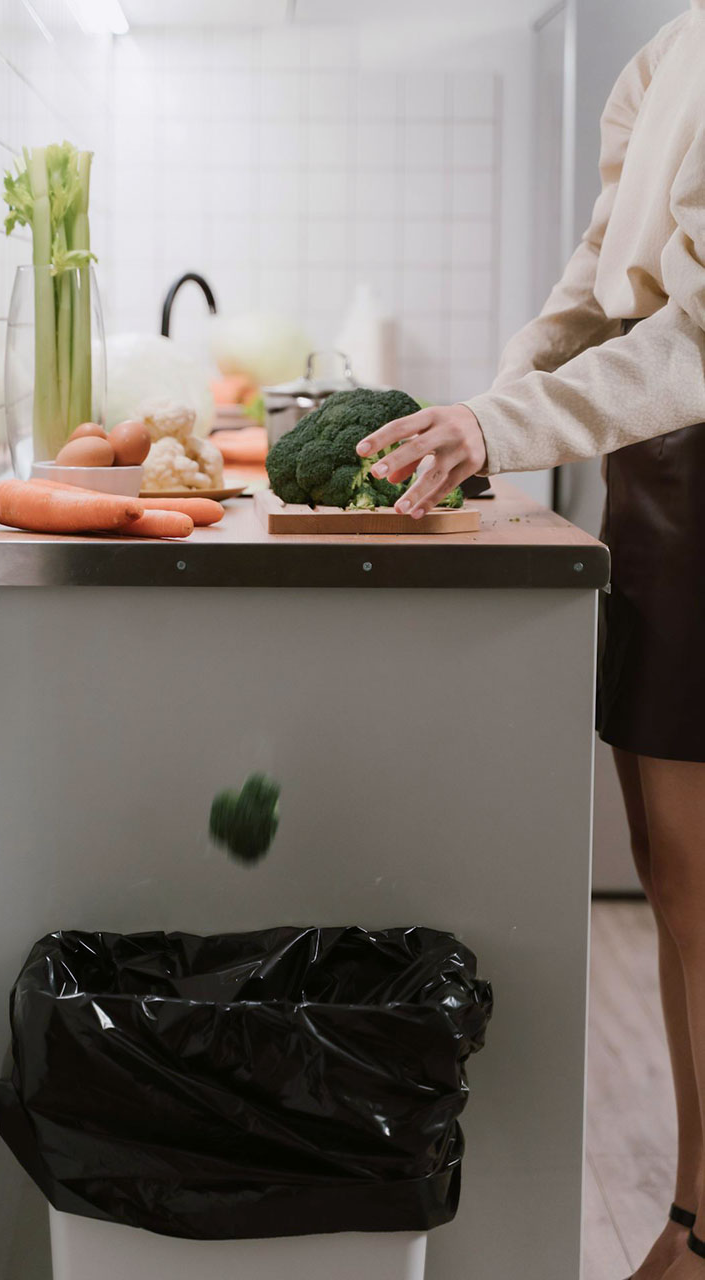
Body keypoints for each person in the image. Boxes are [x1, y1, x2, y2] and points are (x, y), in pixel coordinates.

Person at [357, 5, 705, 1279]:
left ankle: (702, 1230)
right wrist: (490, 416)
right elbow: (595, 277)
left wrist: (505, 430)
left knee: (704, 892)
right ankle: (693, 1212)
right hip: (654, 476)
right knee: (678, 886)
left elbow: (697, 331)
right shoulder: (670, 49)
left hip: (699, 447)